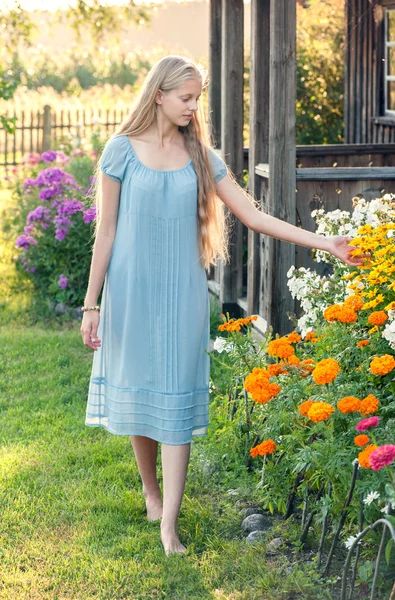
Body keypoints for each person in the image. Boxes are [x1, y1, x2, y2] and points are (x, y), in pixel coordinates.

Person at [80, 55, 365, 557]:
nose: (193, 107)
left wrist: (327, 243)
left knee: (175, 395)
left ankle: (169, 523)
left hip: (183, 293)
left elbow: (254, 217)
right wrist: (91, 304)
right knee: (140, 391)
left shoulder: (202, 159)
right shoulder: (120, 151)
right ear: (159, 95)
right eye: (185, 98)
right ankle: (151, 491)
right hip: (130, 289)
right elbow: (106, 231)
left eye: (197, 98)